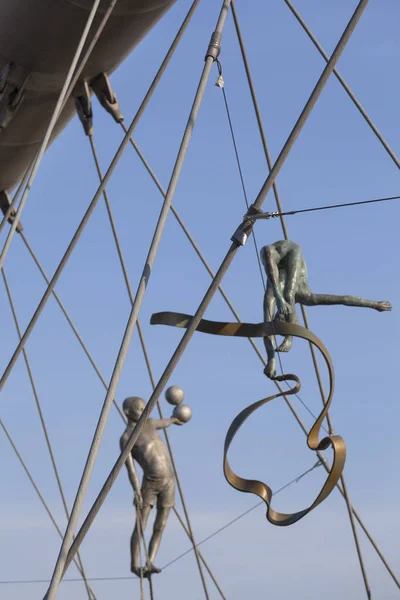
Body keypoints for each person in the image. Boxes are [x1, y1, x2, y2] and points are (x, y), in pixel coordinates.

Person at [260, 240, 392, 378]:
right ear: (292, 317)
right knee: (288, 293)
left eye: (279, 319)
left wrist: (271, 360)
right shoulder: (305, 296)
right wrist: (374, 304)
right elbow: (342, 299)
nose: (280, 316)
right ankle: (290, 336)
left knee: (274, 268)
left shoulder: (273, 296)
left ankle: (289, 337)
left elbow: (267, 326)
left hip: (286, 252)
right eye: (284, 319)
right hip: (288, 263)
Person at [120, 396, 183, 577]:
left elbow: (165, 422)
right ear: (128, 412)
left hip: (169, 481)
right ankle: (134, 564)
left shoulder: (150, 423)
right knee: (141, 524)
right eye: (139, 408)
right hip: (151, 483)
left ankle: (150, 561)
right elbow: (131, 469)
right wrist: (136, 490)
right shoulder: (126, 438)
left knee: (160, 525)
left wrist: (175, 419)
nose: (143, 411)